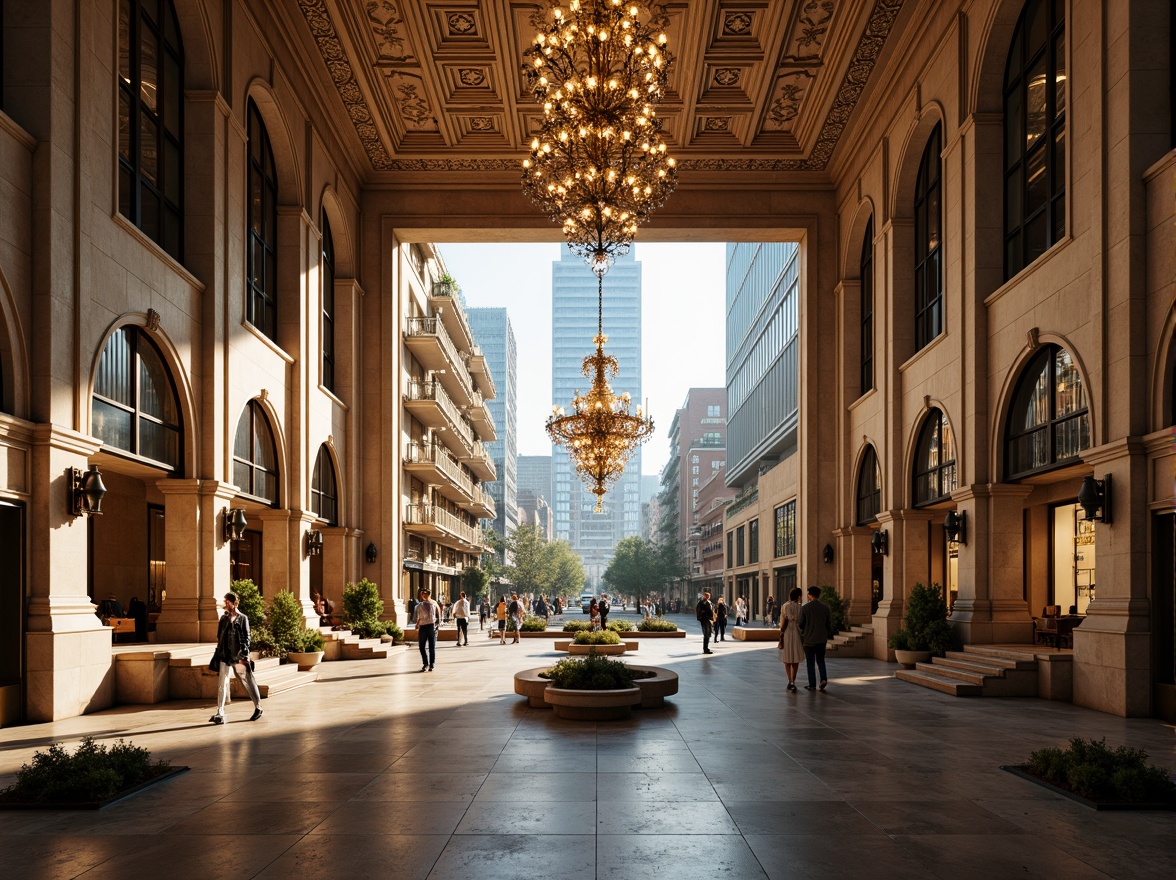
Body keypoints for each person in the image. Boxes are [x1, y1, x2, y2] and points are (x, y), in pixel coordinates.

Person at [209, 591, 262, 724]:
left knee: (247, 681)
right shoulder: (223, 619)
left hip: (238, 656)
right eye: (225, 602)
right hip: (225, 655)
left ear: (234, 603)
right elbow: (219, 636)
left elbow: (247, 637)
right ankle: (220, 711)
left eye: (228, 602)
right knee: (222, 683)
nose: (226, 605)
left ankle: (258, 707)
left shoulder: (243, 618)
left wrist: (245, 653)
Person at [797, 585, 832, 690]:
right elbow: (828, 624)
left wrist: (805, 631)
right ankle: (823, 679)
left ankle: (812, 684)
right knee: (821, 660)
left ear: (810, 595)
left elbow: (800, 623)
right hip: (821, 639)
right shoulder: (825, 607)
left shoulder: (805, 608)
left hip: (809, 640)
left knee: (810, 663)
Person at [778, 587, 804, 692]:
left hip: (787, 633)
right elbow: (801, 621)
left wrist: (781, 635)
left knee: (787, 657)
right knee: (796, 658)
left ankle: (790, 680)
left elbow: (784, 621)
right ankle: (794, 679)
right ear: (798, 596)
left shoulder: (785, 606)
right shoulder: (801, 607)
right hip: (797, 633)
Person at [414, 588, 440, 671]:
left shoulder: (433, 604)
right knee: (424, 646)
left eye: (425, 594)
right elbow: (419, 617)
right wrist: (417, 624)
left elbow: (438, 615)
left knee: (430, 646)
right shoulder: (421, 605)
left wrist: (437, 627)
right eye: (423, 594)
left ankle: (430, 664)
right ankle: (427, 663)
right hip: (425, 626)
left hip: (429, 626)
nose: (424, 596)